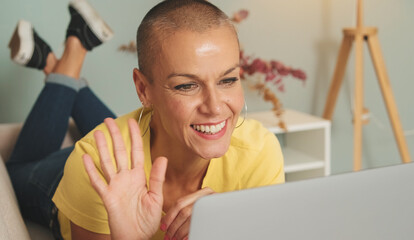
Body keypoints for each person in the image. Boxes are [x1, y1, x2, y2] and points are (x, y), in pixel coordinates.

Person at [8, 0, 285, 240]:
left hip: (145, 139)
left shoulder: (260, 153)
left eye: (228, 79)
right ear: (143, 89)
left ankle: (56, 63)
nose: (215, 107)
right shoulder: (93, 168)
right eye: (186, 86)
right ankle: (74, 49)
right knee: (16, 170)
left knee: (129, 134)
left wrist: (229, 229)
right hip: (68, 177)